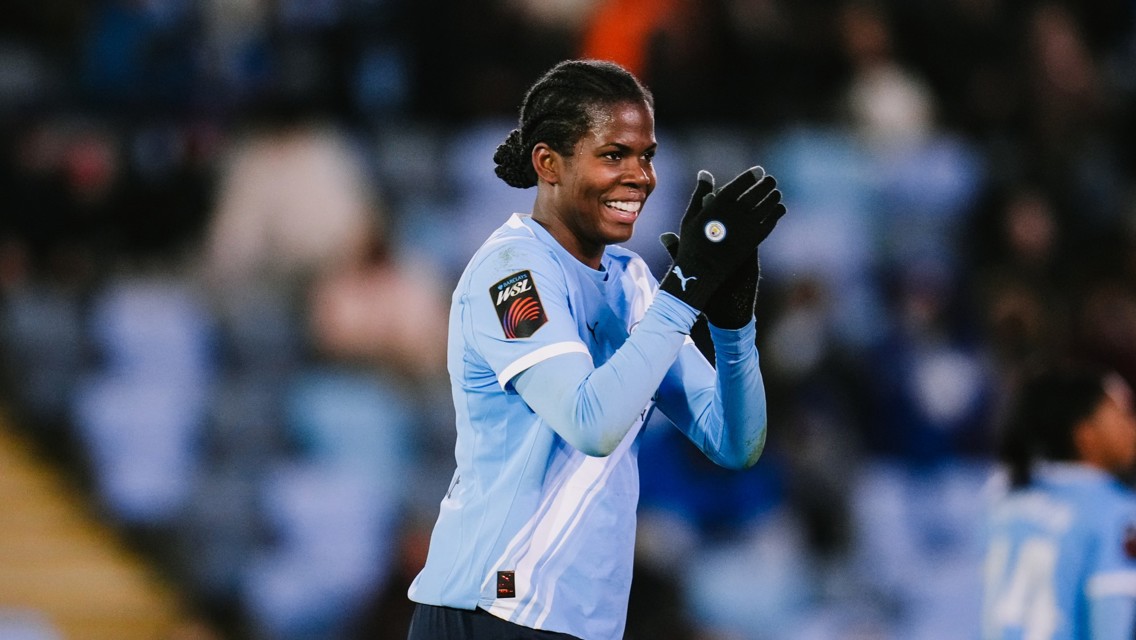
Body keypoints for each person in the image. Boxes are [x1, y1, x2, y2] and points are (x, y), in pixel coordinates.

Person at [405, 58, 787, 640]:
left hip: (581, 621)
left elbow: (735, 442)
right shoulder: (511, 272)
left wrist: (734, 329)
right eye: (614, 154)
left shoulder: (632, 283)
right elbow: (591, 423)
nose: (641, 176)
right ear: (548, 164)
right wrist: (683, 291)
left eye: (647, 155)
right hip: (492, 606)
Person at [981, 363, 1136, 640]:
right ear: (1086, 434)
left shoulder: (1002, 498)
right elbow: (1112, 621)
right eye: (1123, 414)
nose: (1132, 427)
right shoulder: (1115, 511)